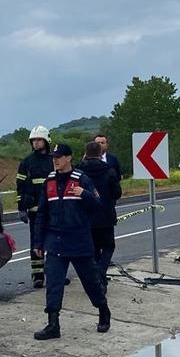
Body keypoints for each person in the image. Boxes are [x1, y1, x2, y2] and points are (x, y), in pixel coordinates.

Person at [32, 144, 110, 340]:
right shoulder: (49, 182)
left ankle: (103, 311)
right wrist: (38, 243)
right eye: (53, 157)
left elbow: (98, 206)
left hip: (79, 241)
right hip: (55, 241)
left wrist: (84, 194)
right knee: (54, 284)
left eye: (59, 157)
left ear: (68, 158)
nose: (55, 160)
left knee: (90, 281)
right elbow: (41, 214)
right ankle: (53, 324)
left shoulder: (81, 179)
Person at [77, 142, 122, 289]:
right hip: (106, 215)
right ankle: (101, 272)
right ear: (100, 154)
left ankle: (97, 277)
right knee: (108, 246)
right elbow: (117, 193)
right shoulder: (109, 170)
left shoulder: (79, 171)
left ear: (86, 153)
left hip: (86, 216)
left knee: (93, 249)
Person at [16, 126, 54, 289]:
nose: (36, 143)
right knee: (36, 243)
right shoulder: (27, 162)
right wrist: (21, 208)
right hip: (34, 210)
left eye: (39, 140)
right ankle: (38, 276)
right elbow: (20, 185)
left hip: (53, 208)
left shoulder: (53, 159)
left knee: (54, 242)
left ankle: (54, 273)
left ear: (46, 141)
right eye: (34, 140)